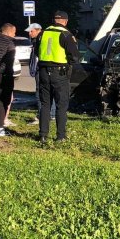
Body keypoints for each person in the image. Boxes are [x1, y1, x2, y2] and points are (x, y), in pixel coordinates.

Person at [36, 11, 80, 143]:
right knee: (61, 105)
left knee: (45, 104)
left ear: (53, 20)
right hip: (59, 73)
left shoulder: (42, 33)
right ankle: (60, 136)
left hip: (43, 72)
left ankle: (43, 135)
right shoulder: (66, 34)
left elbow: (37, 51)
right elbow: (75, 57)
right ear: (65, 21)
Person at [24, 23, 55, 125]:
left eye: (31, 31)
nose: (29, 33)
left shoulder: (41, 40)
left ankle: (42, 115)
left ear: (38, 30)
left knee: (40, 92)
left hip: (41, 69)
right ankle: (51, 114)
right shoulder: (39, 40)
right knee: (48, 92)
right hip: (44, 69)